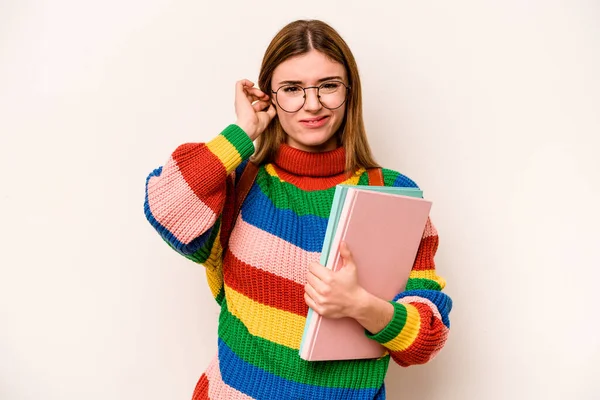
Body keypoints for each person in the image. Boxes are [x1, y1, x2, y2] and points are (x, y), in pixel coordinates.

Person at [144, 19, 452, 400]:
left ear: (349, 91)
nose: (312, 104)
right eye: (292, 89)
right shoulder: (241, 183)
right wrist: (243, 131)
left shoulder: (390, 195)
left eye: (328, 86)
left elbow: (427, 338)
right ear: (269, 97)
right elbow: (165, 205)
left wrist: (362, 307)